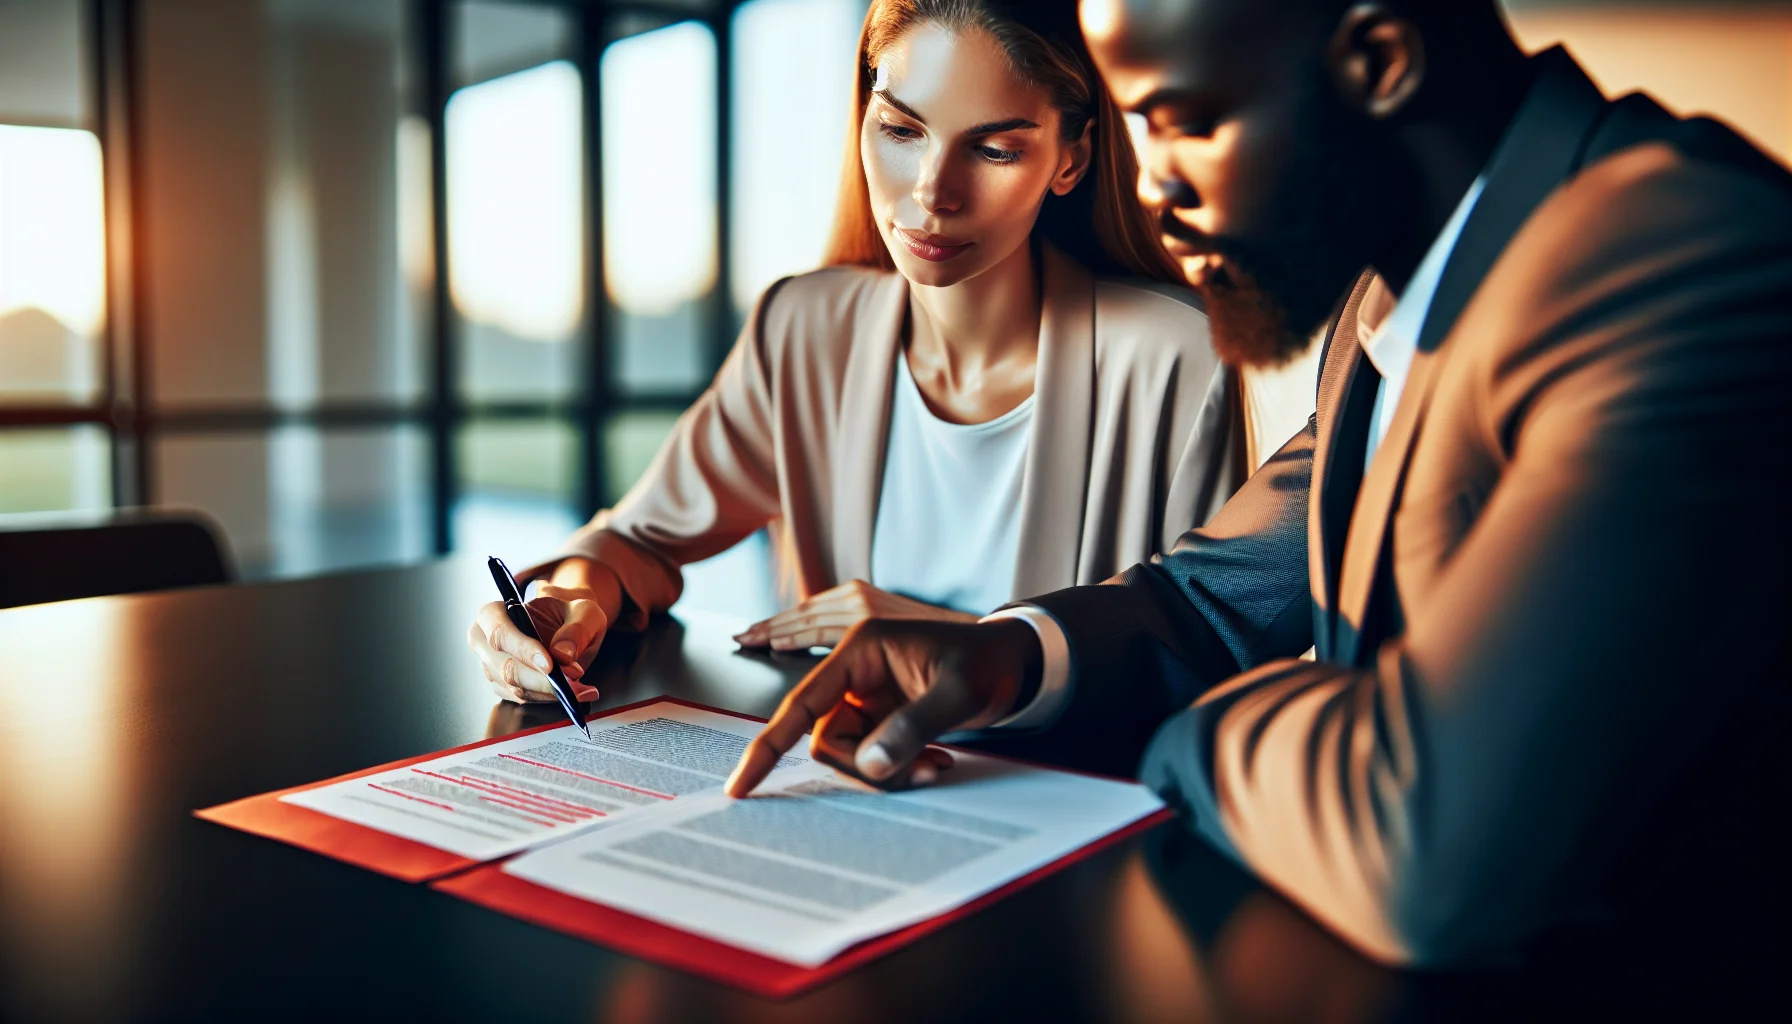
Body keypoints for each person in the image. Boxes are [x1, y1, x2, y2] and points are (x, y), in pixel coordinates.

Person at [727, 0, 1792, 968]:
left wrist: (1201, 728)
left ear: (1379, 58)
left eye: (1183, 120)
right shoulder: (1393, 293)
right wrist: (1003, 657)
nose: (1151, 186)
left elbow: (1429, 849)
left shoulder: (1685, 260)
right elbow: (1211, 596)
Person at [468, 0, 1303, 707]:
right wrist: (566, 600)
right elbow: (641, 541)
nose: (932, 193)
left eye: (995, 148)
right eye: (901, 129)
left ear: (1070, 160)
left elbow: (1195, 652)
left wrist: (947, 638)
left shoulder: (1173, 357)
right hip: (827, 798)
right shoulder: (806, 327)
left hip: (1052, 833)